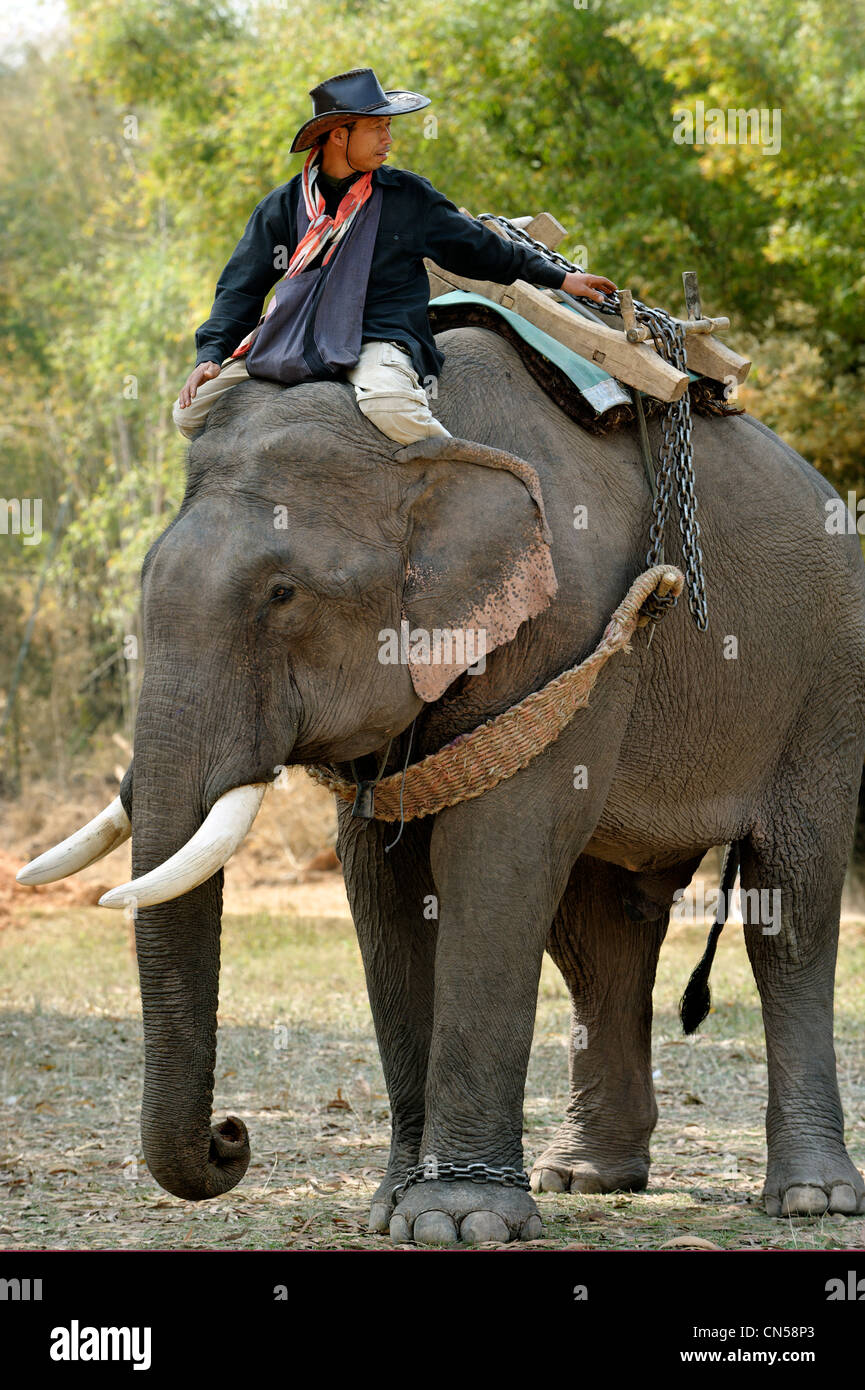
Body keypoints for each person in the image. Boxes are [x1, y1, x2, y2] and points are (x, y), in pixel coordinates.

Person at [173, 67, 616, 444]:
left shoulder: (408, 197)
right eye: (378, 128)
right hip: (296, 336)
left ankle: (463, 475)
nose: (389, 139)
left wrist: (559, 277)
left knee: (390, 405)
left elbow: (480, 249)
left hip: (377, 337)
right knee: (189, 414)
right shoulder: (282, 207)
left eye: (389, 127)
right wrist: (211, 356)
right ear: (338, 135)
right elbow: (239, 289)